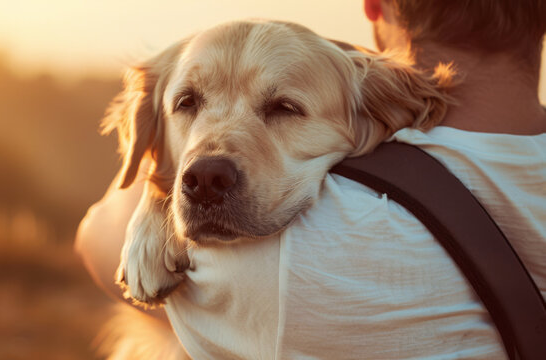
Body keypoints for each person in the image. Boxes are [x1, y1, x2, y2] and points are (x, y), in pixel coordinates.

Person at [76, 0, 546, 358]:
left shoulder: (300, 260)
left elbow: (95, 236)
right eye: (188, 104)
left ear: (374, 6)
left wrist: (153, 199)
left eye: (284, 107)